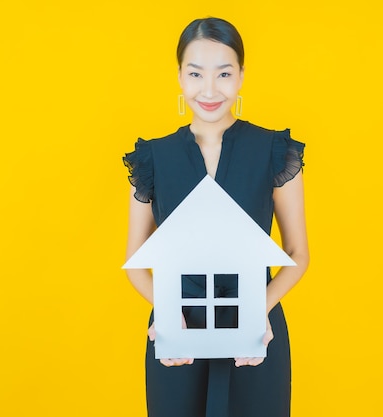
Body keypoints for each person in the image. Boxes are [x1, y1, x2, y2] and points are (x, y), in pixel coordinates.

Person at [122, 17, 309, 417]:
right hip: (178, 331)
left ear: (241, 75)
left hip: (257, 329)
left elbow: (297, 253)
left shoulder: (274, 150)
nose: (209, 90)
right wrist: (170, 317)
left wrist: (257, 311)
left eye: (224, 73)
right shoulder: (152, 158)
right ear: (179, 76)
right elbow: (135, 262)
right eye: (195, 74)